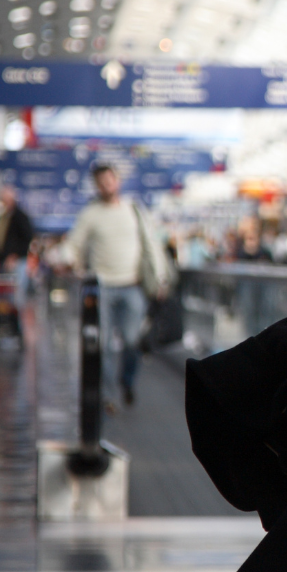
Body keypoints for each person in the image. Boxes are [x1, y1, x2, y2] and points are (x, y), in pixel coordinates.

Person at [65, 162, 171, 410]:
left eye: (109, 180)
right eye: (101, 182)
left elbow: (151, 245)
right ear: (96, 186)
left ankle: (127, 380)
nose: (106, 185)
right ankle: (109, 395)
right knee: (103, 345)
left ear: (117, 181)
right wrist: (68, 260)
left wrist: (160, 278)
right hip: (103, 287)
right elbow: (73, 243)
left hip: (133, 286)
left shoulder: (133, 209)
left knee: (132, 341)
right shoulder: (91, 214)